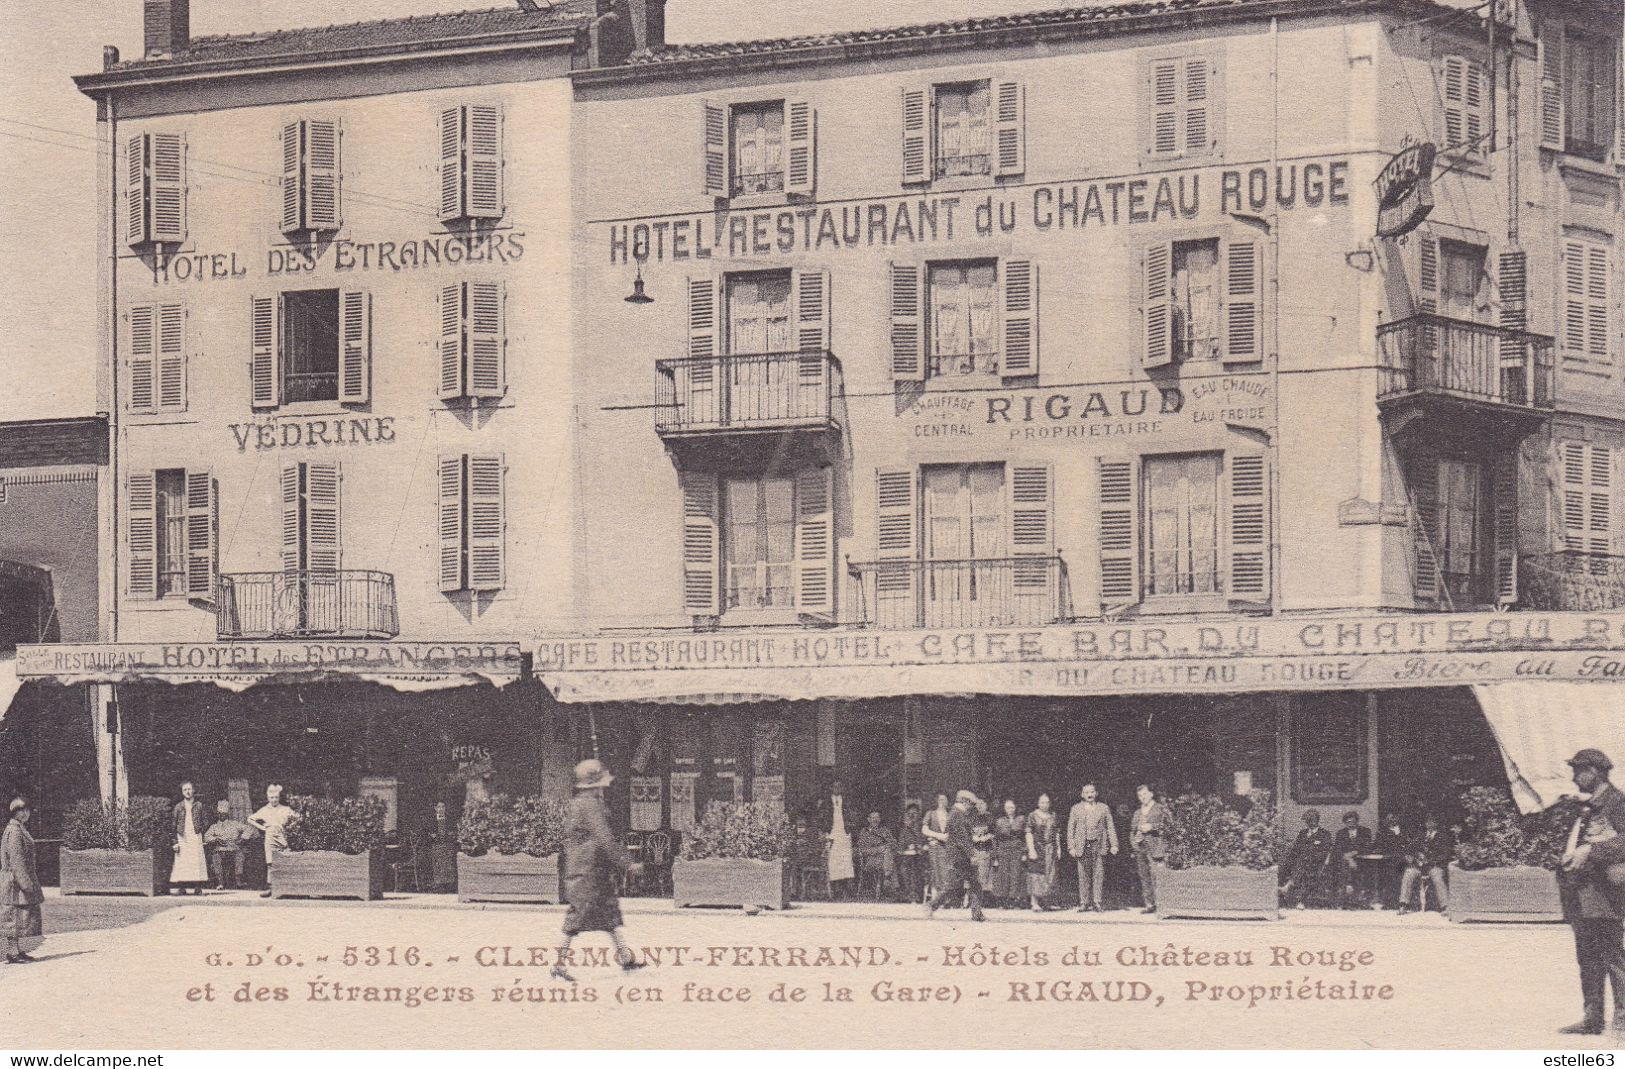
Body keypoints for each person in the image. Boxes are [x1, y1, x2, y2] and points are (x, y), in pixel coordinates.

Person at [550, 759, 644, 983]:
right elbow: (604, 838)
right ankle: (558, 964)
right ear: (595, 785)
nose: (604, 786)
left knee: (609, 914)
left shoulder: (579, 803)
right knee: (577, 916)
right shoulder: (589, 805)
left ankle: (625, 957)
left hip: (588, 868)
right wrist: (627, 863)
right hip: (589, 870)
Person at [1557, 749, 1625, 1036]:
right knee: (1587, 956)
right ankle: (1593, 1018)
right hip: (1581, 893)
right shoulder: (1587, 805)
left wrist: (1591, 851)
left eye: (1577, 771)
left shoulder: (1617, 802)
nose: (1574, 778)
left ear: (1594, 771)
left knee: (1612, 956)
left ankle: (1623, 1018)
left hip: (1605, 894)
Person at [925, 791, 985, 922]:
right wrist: (972, 854)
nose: (971, 807)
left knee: (975, 884)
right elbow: (962, 838)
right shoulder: (956, 814)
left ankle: (977, 913)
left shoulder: (959, 814)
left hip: (962, 856)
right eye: (971, 803)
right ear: (964, 801)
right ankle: (931, 905)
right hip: (959, 857)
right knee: (953, 887)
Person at [2, 798, 43, 964]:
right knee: (13, 917)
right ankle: (12, 952)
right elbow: (16, 860)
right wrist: (26, 884)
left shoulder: (19, 828)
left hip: (17, 881)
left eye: (27, 810)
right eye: (22, 810)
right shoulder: (15, 831)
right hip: (14, 883)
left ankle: (16, 951)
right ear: (15, 813)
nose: (26, 814)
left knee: (20, 917)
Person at [1068, 783, 1119, 912]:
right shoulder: (1076, 808)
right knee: (1083, 874)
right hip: (1082, 845)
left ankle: (1097, 902)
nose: (1089, 794)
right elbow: (1070, 829)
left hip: (1098, 843)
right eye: (1086, 792)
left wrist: (1114, 844)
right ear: (1082, 795)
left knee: (1098, 873)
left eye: (1092, 792)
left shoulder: (1103, 808)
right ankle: (1084, 902)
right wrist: (1071, 847)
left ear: (1096, 793)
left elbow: (1110, 827)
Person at [1397, 813, 1454, 914]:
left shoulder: (1443, 836)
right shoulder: (1420, 836)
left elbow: (1445, 854)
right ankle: (1403, 904)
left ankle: (1445, 906)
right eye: (1427, 821)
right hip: (1419, 866)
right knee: (1409, 873)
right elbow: (1409, 849)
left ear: (1436, 823)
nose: (1429, 824)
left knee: (1437, 876)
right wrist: (1412, 857)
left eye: (1432, 821)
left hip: (1433, 866)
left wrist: (1430, 860)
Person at [248, 784, 297, 899]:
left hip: (283, 838)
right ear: (268, 798)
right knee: (270, 863)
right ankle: (271, 888)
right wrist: (263, 828)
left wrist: (288, 827)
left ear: (279, 798)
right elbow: (250, 819)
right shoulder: (264, 810)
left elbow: (297, 818)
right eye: (271, 798)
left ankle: (286, 888)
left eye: (276, 797)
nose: (274, 800)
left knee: (285, 860)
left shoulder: (285, 809)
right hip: (270, 839)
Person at [1280, 809, 1335, 909]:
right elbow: (1295, 850)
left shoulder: (1325, 834)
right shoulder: (1302, 833)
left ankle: (1289, 887)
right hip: (1301, 862)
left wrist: (1312, 857)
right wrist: (1289, 862)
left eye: (1312, 820)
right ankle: (1286, 895)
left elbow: (1325, 851)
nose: (1310, 823)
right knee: (1291, 865)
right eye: (1308, 821)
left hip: (1316, 863)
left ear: (1317, 820)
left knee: (1303, 867)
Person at [1129, 785, 1169, 913]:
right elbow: (1132, 831)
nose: (1142, 798)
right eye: (1140, 796)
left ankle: (1161, 904)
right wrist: (1134, 844)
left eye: (1145, 794)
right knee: (1144, 876)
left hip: (1155, 848)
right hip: (1141, 848)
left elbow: (1168, 825)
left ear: (1151, 794)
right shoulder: (1137, 812)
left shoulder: (1160, 809)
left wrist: (1152, 827)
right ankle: (1149, 904)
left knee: (1156, 876)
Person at [817, 780, 857, 901]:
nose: (837, 788)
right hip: (832, 834)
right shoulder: (825, 802)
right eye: (835, 786)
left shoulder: (848, 802)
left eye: (840, 786)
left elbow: (852, 816)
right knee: (833, 862)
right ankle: (835, 891)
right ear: (831, 788)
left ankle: (847, 890)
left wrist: (850, 828)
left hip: (844, 835)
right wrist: (824, 832)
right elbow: (821, 818)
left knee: (846, 862)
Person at [202, 800, 255, 890]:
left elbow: (249, 829)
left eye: (224, 813)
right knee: (216, 857)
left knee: (239, 856)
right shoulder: (214, 827)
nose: (222, 815)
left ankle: (238, 880)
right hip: (220, 849)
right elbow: (206, 837)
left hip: (234, 848)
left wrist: (242, 839)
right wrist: (216, 839)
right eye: (220, 813)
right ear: (217, 814)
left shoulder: (234, 824)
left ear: (227, 814)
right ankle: (220, 882)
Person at [170, 781, 209, 895]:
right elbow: (173, 825)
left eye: (189, 789)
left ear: (193, 790)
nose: (187, 792)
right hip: (182, 836)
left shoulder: (199, 805)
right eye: (185, 790)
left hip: (195, 836)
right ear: (182, 792)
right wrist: (175, 842)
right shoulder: (178, 807)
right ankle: (182, 888)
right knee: (182, 861)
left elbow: (205, 821)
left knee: (197, 861)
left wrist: (199, 830)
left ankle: (198, 888)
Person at [1331, 810, 1374, 908]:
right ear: (1345, 823)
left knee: (1353, 869)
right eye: (1348, 822)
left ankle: (1350, 890)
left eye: (1353, 822)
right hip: (1345, 862)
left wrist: (1354, 853)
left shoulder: (1365, 831)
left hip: (1362, 861)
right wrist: (1349, 858)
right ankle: (1348, 892)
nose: (1351, 824)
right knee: (1344, 865)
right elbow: (1337, 849)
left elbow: (1368, 847)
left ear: (1357, 821)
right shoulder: (1341, 833)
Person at [1025, 793, 1059, 912]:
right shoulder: (1032, 816)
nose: (1045, 805)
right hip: (1037, 848)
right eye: (1042, 802)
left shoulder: (1053, 815)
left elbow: (1056, 833)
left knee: (1049, 875)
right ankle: (1034, 902)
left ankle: (1046, 902)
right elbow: (1028, 833)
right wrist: (1031, 849)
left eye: (1047, 802)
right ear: (1038, 803)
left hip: (1050, 849)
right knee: (1036, 875)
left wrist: (1058, 848)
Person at [990, 800, 1026, 907]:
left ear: (1015, 807)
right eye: (1007, 808)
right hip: (1003, 851)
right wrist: (995, 856)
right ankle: (1004, 900)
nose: (1010, 810)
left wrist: (1024, 852)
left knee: (1015, 874)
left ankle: (1014, 900)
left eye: (1012, 807)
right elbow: (995, 839)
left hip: (1017, 850)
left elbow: (1024, 837)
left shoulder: (1021, 819)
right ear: (1004, 809)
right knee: (1004, 875)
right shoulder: (1000, 821)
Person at [855, 811, 899, 899]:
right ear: (868, 819)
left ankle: (887, 878)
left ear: (880, 819)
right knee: (889, 858)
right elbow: (862, 850)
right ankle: (890, 883)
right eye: (873, 817)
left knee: (888, 852)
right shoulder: (865, 832)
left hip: (884, 858)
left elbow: (894, 843)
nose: (875, 820)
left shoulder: (884, 830)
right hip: (870, 861)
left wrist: (888, 846)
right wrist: (878, 850)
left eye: (877, 817)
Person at [1373, 811, 1407, 909]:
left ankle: (1400, 901)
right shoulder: (1382, 832)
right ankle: (1387, 901)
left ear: (1398, 818)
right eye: (1390, 818)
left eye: (1394, 817)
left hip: (1403, 861)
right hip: (1387, 860)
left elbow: (1409, 845)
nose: (1392, 820)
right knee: (1385, 874)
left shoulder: (1405, 831)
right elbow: (1377, 845)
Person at [922, 793, 952, 903]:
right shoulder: (931, 814)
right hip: (935, 846)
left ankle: (944, 899)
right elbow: (924, 830)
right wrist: (938, 836)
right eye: (940, 799)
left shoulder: (950, 815)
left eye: (944, 799)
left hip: (947, 847)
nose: (942, 801)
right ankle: (935, 899)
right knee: (936, 872)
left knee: (946, 873)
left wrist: (948, 837)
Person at [896, 803, 927, 904]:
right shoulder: (904, 831)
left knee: (916, 869)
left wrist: (921, 847)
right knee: (906, 869)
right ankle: (910, 896)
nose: (912, 816)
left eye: (914, 813)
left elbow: (925, 843)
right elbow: (900, 848)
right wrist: (907, 848)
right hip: (907, 857)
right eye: (910, 814)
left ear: (918, 815)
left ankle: (916, 896)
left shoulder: (921, 829)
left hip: (921, 857)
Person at [970, 797, 995, 899]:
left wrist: (987, 837)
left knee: (985, 876)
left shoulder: (990, 817)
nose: (980, 806)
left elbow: (994, 832)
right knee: (974, 875)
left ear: (986, 805)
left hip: (986, 850)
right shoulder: (971, 818)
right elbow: (967, 833)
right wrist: (973, 838)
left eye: (982, 804)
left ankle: (985, 899)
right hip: (974, 851)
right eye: (978, 804)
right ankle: (971, 899)